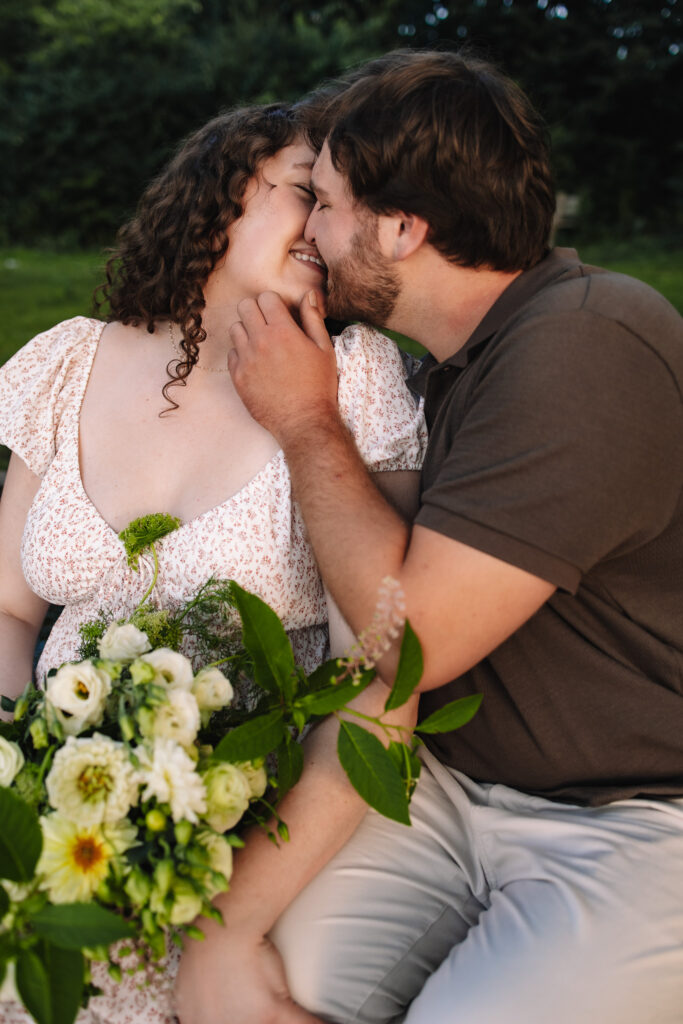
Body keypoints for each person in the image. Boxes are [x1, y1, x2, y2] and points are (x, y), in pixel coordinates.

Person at [177, 50, 683, 1024]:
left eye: (322, 201)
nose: (311, 231)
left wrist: (305, 421)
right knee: (273, 971)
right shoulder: (455, 363)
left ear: (402, 227)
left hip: (638, 815)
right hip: (452, 791)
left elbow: (408, 646)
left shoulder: (587, 346)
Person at [0, 101, 426, 1024]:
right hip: (59, 806)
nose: (322, 226)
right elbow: (6, 610)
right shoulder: (66, 362)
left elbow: (383, 673)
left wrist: (237, 904)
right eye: (302, 194)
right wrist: (18, 771)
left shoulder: (355, 379)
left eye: (334, 207)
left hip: (252, 817)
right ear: (220, 191)